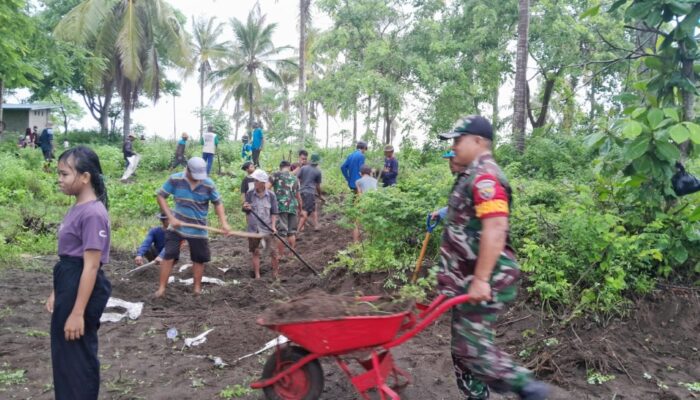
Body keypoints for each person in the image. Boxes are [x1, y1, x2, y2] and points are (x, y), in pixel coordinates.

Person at [438, 115, 550, 400]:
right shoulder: (470, 173)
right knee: (462, 349)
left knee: (471, 349)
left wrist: (480, 280)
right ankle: (478, 396)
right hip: (466, 278)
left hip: (486, 277)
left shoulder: (485, 176)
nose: (454, 146)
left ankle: (529, 389)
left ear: (478, 141)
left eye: (458, 139)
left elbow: (496, 228)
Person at [45, 146, 112, 400]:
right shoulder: (77, 207)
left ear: (85, 177)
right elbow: (69, 255)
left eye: (64, 174)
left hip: (81, 284)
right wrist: (57, 291)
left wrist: (77, 312)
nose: (59, 179)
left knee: (77, 357)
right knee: (64, 355)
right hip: (69, 280)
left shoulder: (93, 213)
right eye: (59, 174)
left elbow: (91, 265)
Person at [154, 157, 232, 297]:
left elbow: (218, 203)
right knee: (169, 255)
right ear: (188, 170)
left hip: (199, 228)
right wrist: (171, 217)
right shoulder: (175, 179)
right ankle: (161, 288)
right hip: (176, 227)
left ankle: (196, 289)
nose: (198, 179)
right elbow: (160, 196)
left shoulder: (208, 184)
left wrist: (224, 223)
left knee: (198, 258)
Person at [243, 169, 279, 279]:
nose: (254, 182)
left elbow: (274, 212)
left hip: (267, 227)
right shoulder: (250, 194)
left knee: (273, 252)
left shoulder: (271, 196)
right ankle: (257, 276)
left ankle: (275, 275)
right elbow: (245, 209)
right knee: (256, 252)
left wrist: (273, 226)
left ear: (262, 182)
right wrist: (245, 207)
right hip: (254, 228)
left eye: (256, 180)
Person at [270, 160, 303, 259]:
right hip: (293, 206)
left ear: (280, 167)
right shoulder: (295, 178)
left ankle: (281, 254)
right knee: (291, 232)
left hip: (280, 207)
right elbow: (298, 196)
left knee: (281, 232)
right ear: (289, 167)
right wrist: (300, 208)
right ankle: (292, 254)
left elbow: (266, 188)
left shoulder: (275, 175)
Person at [431, 150, 465, 221]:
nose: (450, 164)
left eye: (453, 159)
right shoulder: (461, 179)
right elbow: (459, 205)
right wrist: (441, 213)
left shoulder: (474, 180)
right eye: (449, 160)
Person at [298, 153, 323, 232]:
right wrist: (320, 195)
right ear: (317, 162)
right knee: (305, 211)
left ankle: (316, 225)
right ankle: (297, 231)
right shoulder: (318, 172)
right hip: (309, 193)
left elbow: (297, 178)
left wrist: (299, 187)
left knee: (312, 208)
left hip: (301, 191)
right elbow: (318, 186)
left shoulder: (303, 168)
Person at [353, 165, 378, 242]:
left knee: (356, 224)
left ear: (360, 173)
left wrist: (356, 205)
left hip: (364, 203)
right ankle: (370, 242)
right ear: (370, 173)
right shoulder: (375, 180)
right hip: (375, 203)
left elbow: (359, 194)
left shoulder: (358, 181)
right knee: (372, 223)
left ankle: (355, 244)